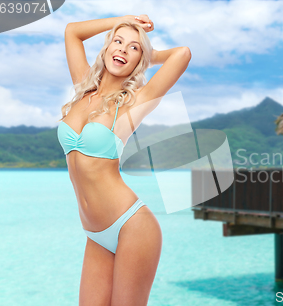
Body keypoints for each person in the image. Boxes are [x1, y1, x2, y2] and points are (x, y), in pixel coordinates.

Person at [57, 14, 191, 305]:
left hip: (132, 226)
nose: (122, 49)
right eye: (117, 42)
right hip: (95, 234)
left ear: (139, 61)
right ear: (105, 48)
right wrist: (122, 21)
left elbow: (182, 54)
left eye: (133, 48)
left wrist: (148, 54)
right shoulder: (83, 90)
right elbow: (72, 32)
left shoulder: (134, 102)